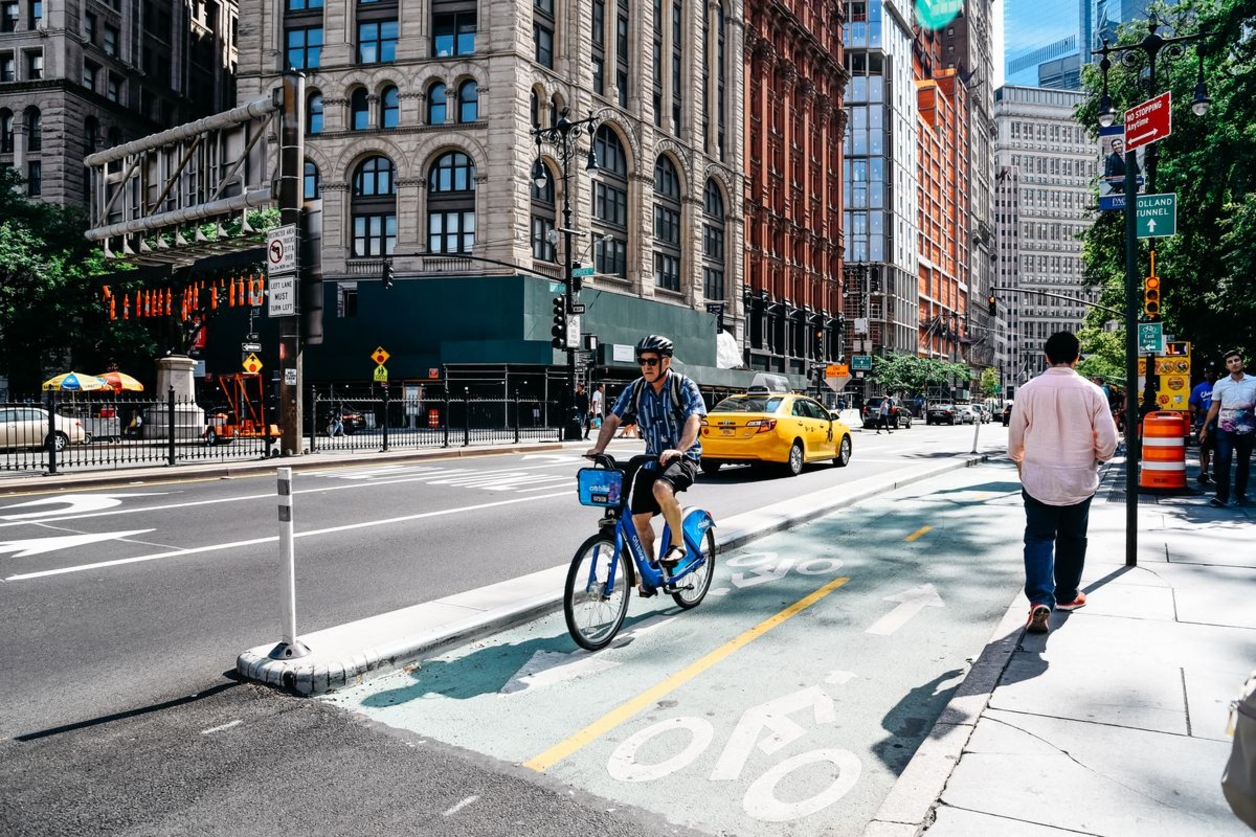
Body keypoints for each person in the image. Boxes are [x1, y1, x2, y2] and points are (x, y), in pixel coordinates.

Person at [1008, 331, 1118, 634]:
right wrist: (1098, 456)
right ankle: (1067, 595)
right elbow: (1108, 442)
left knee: (1039, 537)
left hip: (1038, 476)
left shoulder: (1028, 390)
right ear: (1077, 357)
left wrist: (1020, 459)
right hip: (1079, 477)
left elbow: (1016, 437)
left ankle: (1040, 599)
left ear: (1046, 357)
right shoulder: (1093, 392)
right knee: (1073, 537)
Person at [585, 335, 707, 597]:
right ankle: (651, 571)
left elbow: (694, 421)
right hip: (652, 459)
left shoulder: (683, 385)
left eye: (652, 361)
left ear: (666, 361)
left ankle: (678, 543)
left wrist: (680, 449)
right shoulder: (636, 389)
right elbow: (612, 419)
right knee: (639, 519)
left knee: (662, 488)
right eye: (642, 361)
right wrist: (598, 449)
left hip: (684, 457)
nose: (646, 366)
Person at [1200, 350, 1256, 508]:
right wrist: (1205, 427)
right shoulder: (1220, 384)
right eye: (1230, 362)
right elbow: (1214, 407)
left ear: (1242, 362)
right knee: (1223, 461)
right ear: (1226, 366)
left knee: (1243, 463)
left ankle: (1240, 494)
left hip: (1248, 428)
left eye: (1237, 360)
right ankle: (1221, 496)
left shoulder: (1254, 382)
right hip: (1225, 428)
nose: (1234, 363)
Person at [1189, 366, 1218, 485]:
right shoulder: (1199, 388)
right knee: (1204, 448)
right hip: (1202, 423)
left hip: (1220, 423)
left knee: (1220, 449)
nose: (1210, 374)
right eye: (1208, 372)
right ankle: (1204, 472)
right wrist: (1199, 410)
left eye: (1213, 372)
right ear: (1205, 374)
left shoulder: (1222, 386)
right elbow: (1190, 405)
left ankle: (1216, 472)